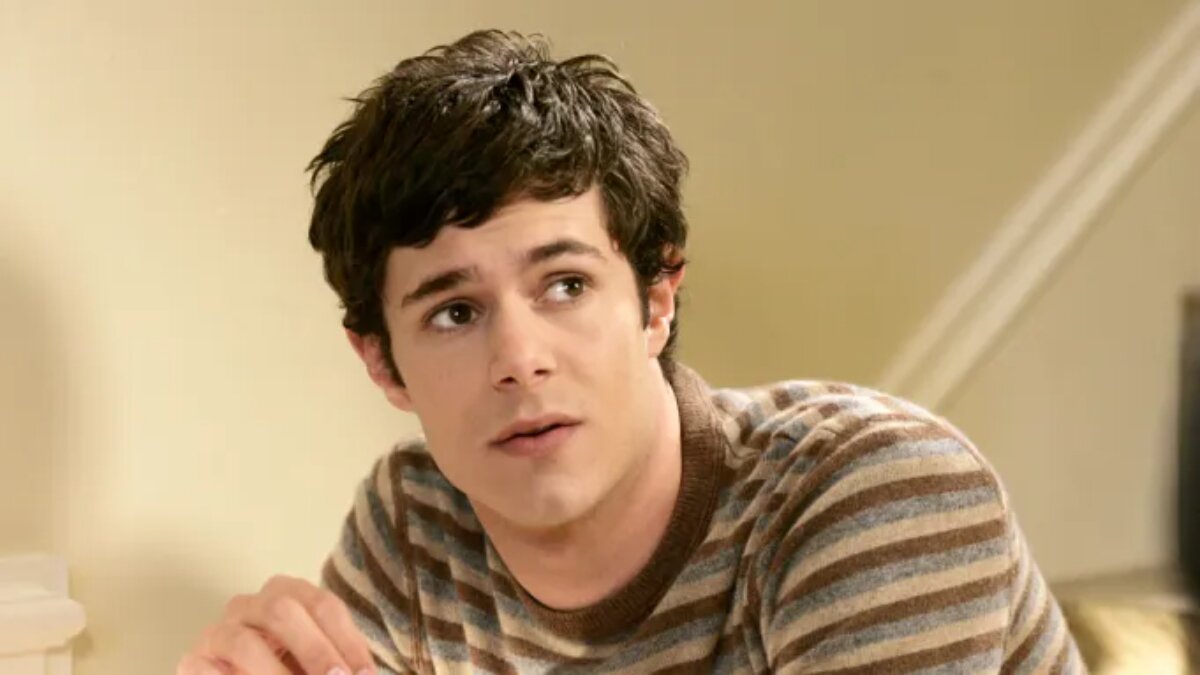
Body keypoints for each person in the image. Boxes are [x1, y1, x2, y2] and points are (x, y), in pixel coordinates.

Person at [177, 30, 1083, 674]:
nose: (519, 358)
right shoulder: (415, 526)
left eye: (565, 284)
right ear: (382, 363)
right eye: (454, 311)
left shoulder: (878, 488)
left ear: (656, 301)